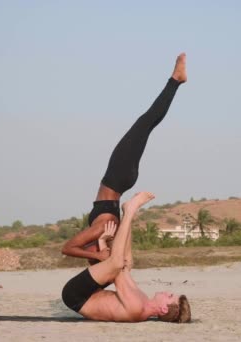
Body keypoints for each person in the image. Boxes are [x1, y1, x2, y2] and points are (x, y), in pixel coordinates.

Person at [61, 53, 187, 264]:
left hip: (121, 182)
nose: (86, 245)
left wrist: (100, 247)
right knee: (145, 122)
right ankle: (175, 80)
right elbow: (67, 248)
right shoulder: (101, 229)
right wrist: (96, 254)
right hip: (116, 179)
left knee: (146, 125)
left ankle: (176, 80)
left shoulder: (103, 233)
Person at [61, 192, 191, 323]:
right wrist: (102, 242)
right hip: (92, 292)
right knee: (127, 264)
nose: (167, 292)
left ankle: (130, 211)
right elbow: (123, 269)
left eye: (170, 296)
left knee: (117, 264)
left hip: (76, 296)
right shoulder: (143, 301)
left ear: (163, 309)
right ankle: (128, 211)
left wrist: (102, 242)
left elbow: (116, 270)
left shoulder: (136, 308)